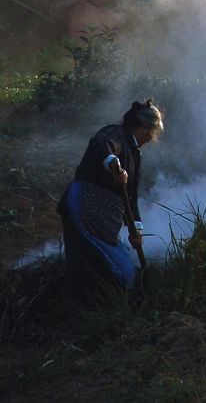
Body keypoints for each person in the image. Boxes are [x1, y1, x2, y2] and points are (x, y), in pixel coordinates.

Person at [57, 99, 164, 301]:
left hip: (104, 220)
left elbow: (130, 198)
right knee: (91, 265)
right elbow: (101, 145)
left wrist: (135, 230)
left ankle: (96, 304)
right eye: (153, 132)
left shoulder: (134, 155)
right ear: (143, 127)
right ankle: (84, 308)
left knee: (110, 268)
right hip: (85, 207)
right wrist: (114, 164)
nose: (152, 138)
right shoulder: (116, 134)